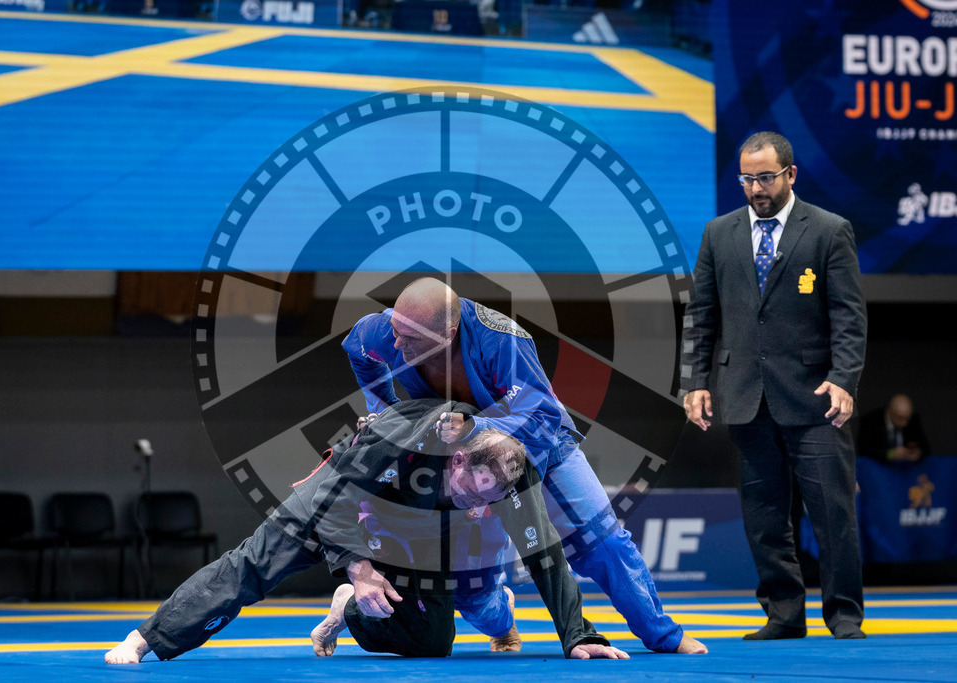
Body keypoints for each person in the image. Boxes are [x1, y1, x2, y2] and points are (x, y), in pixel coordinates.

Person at [106, 398, 626, 663]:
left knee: (431, 641)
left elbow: (545, 554)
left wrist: (579, 635)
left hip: (418, 525)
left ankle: (349, 609)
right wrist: (357, 566)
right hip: (344, 501)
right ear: (457, 459)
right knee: (251, 568)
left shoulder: (509, 472)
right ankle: (146, 638)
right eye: (472, 493)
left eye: (490, 503)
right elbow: (335, 499)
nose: (479, 508)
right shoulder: (398, 438)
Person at [342, 278, 707, 654]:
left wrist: (478, 426)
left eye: (410, 340)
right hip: (464, 465)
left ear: (448, 333)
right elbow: (356, 347)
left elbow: (543, 416)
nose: (397, 345)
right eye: (395, 333)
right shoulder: (392, 330)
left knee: (602, 541)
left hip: (539, 446)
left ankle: (664, 635)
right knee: (472, 592)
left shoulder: (501, 340)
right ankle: (503, 618)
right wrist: (384, 410)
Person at [681, 131, 867, 640]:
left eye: (765, 177)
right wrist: (695, 382)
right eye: (747, 178)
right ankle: (784, 614)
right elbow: (700, 315)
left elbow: (849, 318)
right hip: (744, 395)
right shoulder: (718, 233)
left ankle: (845, 616)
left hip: (815, 400)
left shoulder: (829, 230)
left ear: (791, 174)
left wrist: (843, 379)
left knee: (832, 515)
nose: (756, 187)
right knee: (764, 518)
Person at [857, 393, 931, 463]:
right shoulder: (871, 420)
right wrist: (889, 454)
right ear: (889, 412)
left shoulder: (913, 420)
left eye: (907, 419)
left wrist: (919, 453)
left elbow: (926, 448)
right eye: (900, 418)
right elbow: (863, 449)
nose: (904, 423)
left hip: (905, 469)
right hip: (879, 468)